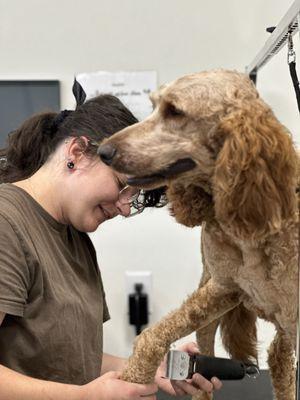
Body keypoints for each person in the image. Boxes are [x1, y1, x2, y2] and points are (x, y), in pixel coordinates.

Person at [0, 85, 222, 399]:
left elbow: (71, 359)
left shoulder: (75, 237)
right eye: (122, 186)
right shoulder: (6, 223)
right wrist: (84, 397)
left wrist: (148, 368)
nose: (125, 208)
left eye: (135, 198)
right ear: (76, 153)